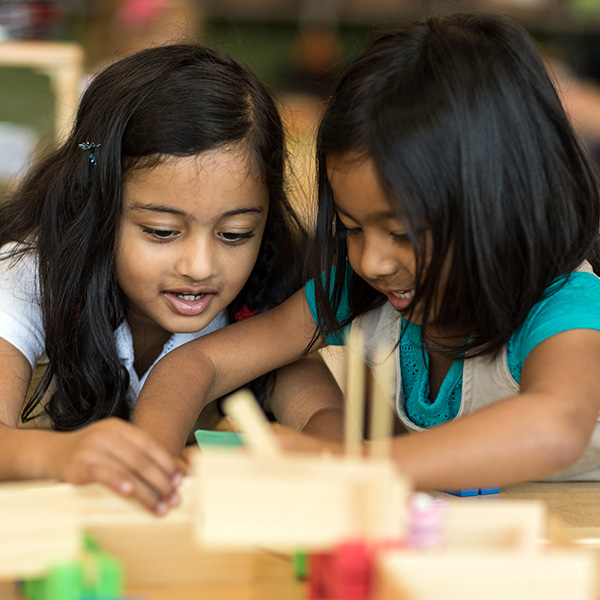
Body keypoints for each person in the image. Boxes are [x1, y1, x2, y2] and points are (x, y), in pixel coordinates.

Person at [133, 13, 600, 492]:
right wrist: (152, 473)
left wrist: (349, 466)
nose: (371, 262)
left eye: (401, 234)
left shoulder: (564, 306)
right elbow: (197, 364)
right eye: (353, 229)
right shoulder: (361, 291)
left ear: (503, 201)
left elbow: (556, 427)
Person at [0, 43, 344, 514]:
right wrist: (60, 454)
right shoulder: (32, 274)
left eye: (234, 233)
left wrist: (312, 461)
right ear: (96, 204)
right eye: (161, 232)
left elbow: (322, 414)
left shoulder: (265, 289)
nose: (200, 266)